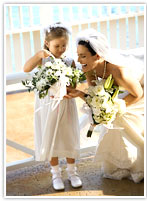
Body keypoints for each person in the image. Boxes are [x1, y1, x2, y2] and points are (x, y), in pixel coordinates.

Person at [66, 28, 144, 183]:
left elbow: (138, 94)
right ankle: (120, 163)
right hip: (125, 92)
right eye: (78, 55)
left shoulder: (119, 72)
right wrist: (79, 94)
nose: (79, 60)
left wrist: (113, 108)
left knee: (120, 118)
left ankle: (139, 163)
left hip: (141, 88)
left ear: (98, 56)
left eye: (83, 56)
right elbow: (95, 96)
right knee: (112, 120)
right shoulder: (89, 69)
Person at [23, 22, 82, 191]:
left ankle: (72, 172)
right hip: (48, 105)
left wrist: (68, 91)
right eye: (57, 45)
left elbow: (74, 84)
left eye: (64, 45)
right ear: (47, 43)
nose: (61, 49)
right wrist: (38, 55)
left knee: (68, 136)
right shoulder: (43, 60)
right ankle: (56, 173)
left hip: (66, 104)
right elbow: (26, 68)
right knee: (52, 137)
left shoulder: (69, 61)